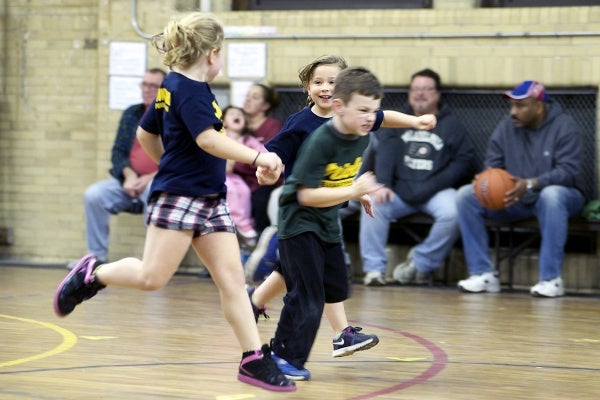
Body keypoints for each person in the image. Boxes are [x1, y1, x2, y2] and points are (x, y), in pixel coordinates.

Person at [53, 13, 295, 392]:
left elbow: (146, 133)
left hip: (211, 199)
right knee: (152, 278)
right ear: (214, 54)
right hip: (180, 196)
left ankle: (253, 358)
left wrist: (169, 157)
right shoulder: (189, 90)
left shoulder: (177, 85)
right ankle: (92, 273)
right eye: (223, 54)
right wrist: (259, 156)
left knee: (232, 280)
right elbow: (208, 141)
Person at [251, 57, 436, 381]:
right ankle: (289, 352)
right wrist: (267, 169)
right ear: (310, 88)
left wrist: (415, 122)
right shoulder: (308, 127)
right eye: (318, 81)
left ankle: (253, 302)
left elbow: (383, 117)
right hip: (302, 213)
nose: (324, 87)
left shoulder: (357, 121)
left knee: (322, 279)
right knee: (308, 288)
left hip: (327, 213)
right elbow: (278, 158)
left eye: (332, 81)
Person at [456, 80, 586, 298]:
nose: (513, 112)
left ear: (538, 106)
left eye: (520, 106)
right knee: (466, 196)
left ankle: (551, 279)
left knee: (551, 195)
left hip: (562, 198)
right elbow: (493, 164)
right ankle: (483, 273)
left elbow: (569, 172)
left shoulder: (565, 126)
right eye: (512, 106)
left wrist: (529, 183)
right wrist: (485, 181)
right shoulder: (507, 126)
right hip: (514, 198)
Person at [360, 68, 475, 286]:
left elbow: (464, 161)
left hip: (435, 191)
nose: (420, 94)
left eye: (426, 89)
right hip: (398, 191)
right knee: (372, 201)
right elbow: (384, 149)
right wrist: (383, 183)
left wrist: (434, 184)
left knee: (455, 210)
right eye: (415, 89)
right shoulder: (396, 120)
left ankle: (419, 264)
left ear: (437, 94)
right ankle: (374, 270)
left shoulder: (452, 125)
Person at [75, 68, 166, 265]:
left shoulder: (171, 117)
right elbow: (118, 152)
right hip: (128, 181)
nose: (147, 89)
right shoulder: (132, 113)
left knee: (154, 191)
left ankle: (154, 263)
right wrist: (129, 175)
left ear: (164, 91)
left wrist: (150, 176)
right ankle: (96, 258)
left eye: (154, 86)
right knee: (94, 194)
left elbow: (178, 158)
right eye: (145, 84)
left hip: (158, 180)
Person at [239, 82, 284, 234]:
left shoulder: (273, 126)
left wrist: (236, 164)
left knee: (260, 199)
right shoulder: (237, 123)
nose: (248, 100)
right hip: (239, 181)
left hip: (263, 183)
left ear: (265, 105)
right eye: (247, 96)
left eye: (255, 97)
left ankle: (261, 246)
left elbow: (269, 159)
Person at [223, 105, 265, 248]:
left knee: (244, 191)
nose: (237, 116)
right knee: (231, 191)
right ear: (224, 121)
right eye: (232, 114)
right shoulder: (221, 136)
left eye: (241, 114)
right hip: (220, 175)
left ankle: (246, 224)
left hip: (234, 176)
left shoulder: (248, 140)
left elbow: (262, 152)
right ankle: (241, 224)